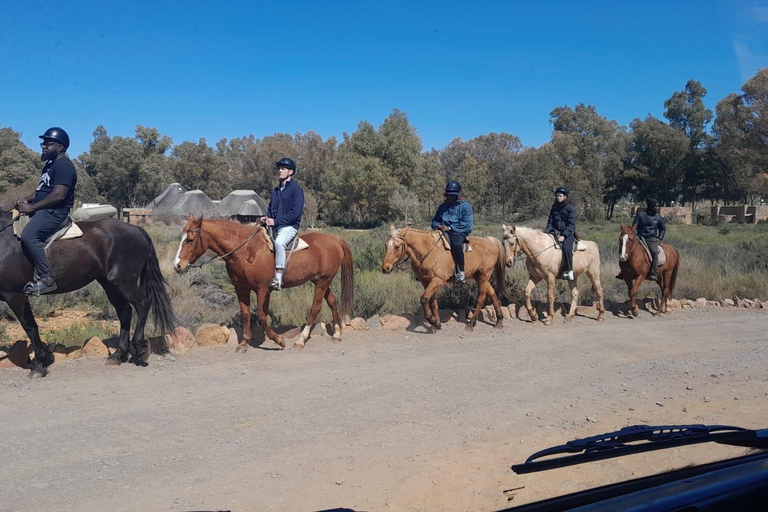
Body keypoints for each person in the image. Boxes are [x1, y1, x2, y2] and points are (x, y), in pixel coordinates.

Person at [15, 127, 77, 295]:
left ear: (60, 147)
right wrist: (27, 199)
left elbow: (58, 195)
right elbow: (40, 190)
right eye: (43, 143)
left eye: (48, 144)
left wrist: (32, 207)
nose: (43, 146)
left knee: (29, 236)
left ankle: (46, 279)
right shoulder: (49, 165)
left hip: (55, 212)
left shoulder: (64, 166)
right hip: (45, 208)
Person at [260, 157, 304, 291]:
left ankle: (278, 279)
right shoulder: (276, 191)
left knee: (279, 243)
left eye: (283, 169)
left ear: (290, 172)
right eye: (279, 168)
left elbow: (295, 212)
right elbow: (271, 208)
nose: (280, 171)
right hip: (275, 225)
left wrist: (276, 221)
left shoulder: (296, 190)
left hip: (289, 226)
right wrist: (266, 218)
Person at [431, 180, 473, 283]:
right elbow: (435, 220)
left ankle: (461, 272)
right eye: (448, 195)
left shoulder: (465, 206)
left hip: (458, 232)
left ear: (457, 195)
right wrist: (437, 226)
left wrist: (449, 228)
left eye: (452, 195)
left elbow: (467, 225)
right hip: (441, 231)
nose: (449, 198)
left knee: (456, 243)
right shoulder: (443, 206)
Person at [545, 186, 576, 281]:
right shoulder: (554, 208)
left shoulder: (570, 208)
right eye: (557, 196)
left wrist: (564, 235)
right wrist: (547, 232)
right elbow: (550, 222)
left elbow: (571, 225)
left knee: (566, 248)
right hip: (555, 232)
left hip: (567, 233)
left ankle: (569, 271)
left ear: (565, 197)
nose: (559, 197)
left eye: (561, 196)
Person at [631, 198, 667, 280]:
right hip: (639, 237)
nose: (656, 208)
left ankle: (653, 272)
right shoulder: (640, 214)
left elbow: (663, 228)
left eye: (657, 206)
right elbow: (634, 226)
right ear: (650, 206)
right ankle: (624, 271)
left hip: (651, 239)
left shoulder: (658, 217)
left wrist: (659, 238)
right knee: (627, 249)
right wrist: (636, 235)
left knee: (654, 252)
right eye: (655, 206)